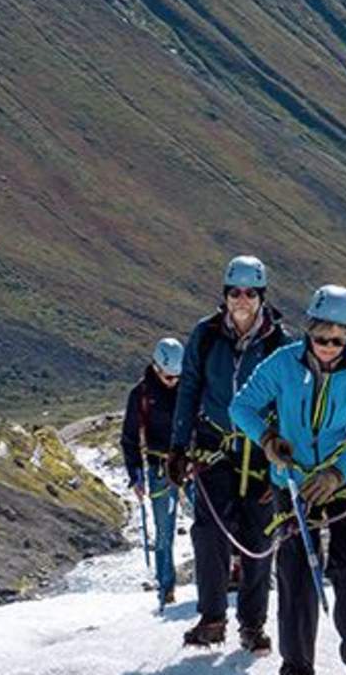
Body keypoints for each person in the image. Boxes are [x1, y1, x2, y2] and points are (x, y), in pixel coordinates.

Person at [230, 285, 346, 675]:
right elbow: (241, 406)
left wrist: (339, 472)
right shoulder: (282, 363)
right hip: (290, 478)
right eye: (321, 337)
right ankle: (296, 665)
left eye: (338, 340)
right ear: (308, 330)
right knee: (295, 572)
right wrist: (268, 439)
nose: (328, 346)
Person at [166, 255, 290, 653]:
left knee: (259, 534)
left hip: (261, 453)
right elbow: (188, 391)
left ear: (261, 296)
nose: (242, 300)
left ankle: (252, 625)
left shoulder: (279, 343)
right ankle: (213, 617)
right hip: (213, 449)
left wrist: (285, 469)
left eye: (250, 293)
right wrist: (177, 446)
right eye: (235, 292)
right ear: (225, 294)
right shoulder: (205, 336)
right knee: (209, 534)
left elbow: (290, 403)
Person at [120, 336, 185, 607]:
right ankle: (166, 588)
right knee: (164, 530)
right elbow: (130, 437)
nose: (174, 381)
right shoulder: (142, 394)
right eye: (169, 377)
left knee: (208, 522)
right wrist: (135, 474)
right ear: (157, 369)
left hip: (191, 463)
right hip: (159, 466)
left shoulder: (188, 387)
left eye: (177, 376)